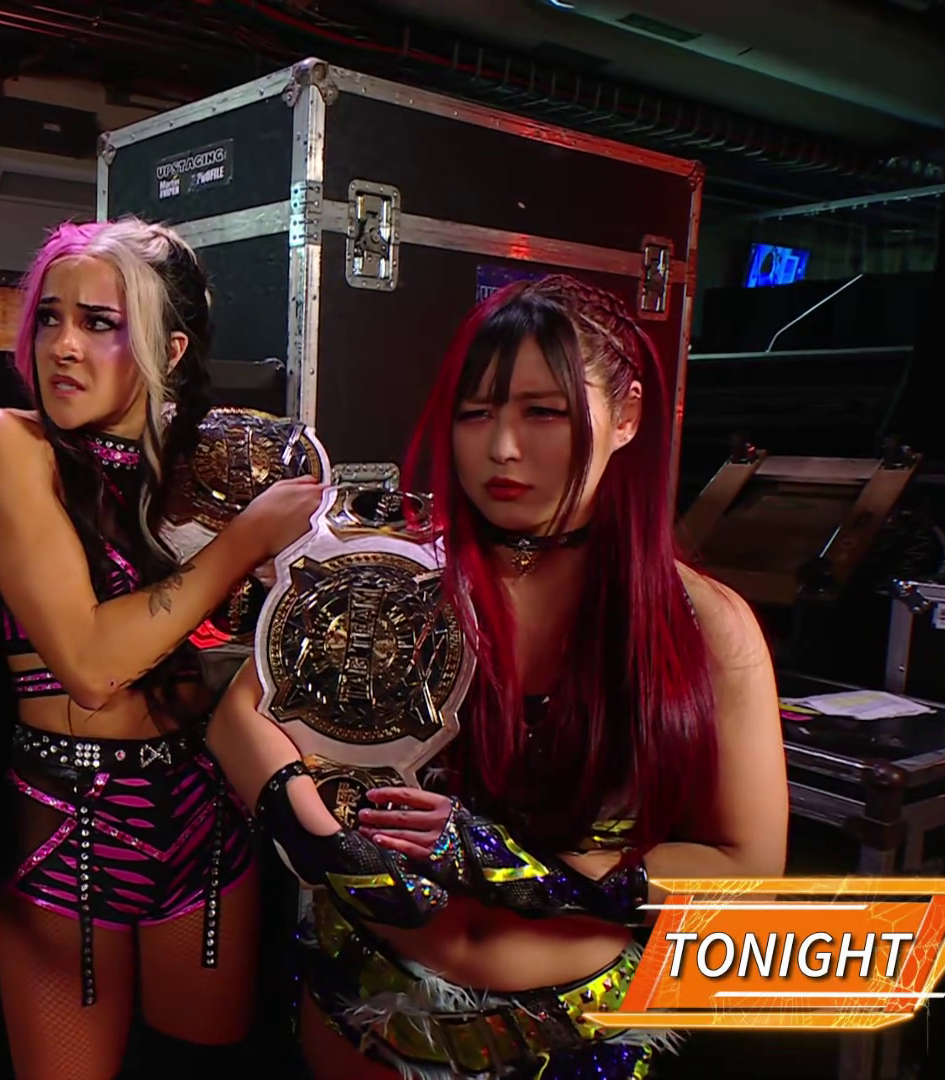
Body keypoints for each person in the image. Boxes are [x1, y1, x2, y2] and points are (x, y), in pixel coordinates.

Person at [206, 275, 791, 1079]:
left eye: (543, 412)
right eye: (475, 413)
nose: (502, 448)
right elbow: (241, 715)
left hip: (578, 1030)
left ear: (625, 418)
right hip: (365, 1006)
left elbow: (750, 870)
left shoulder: (704, 624)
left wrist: (503, 863)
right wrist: (326, 842)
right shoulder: (396, 572)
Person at [0, 218, 323, 1080]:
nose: (63, 345)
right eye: (50, 318)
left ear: (169, 346)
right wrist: (243, 541)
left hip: (206, 815)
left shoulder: (205, 463)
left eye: (99, 323)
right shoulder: (6, 443)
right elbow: (89, 665)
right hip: (66, 825)